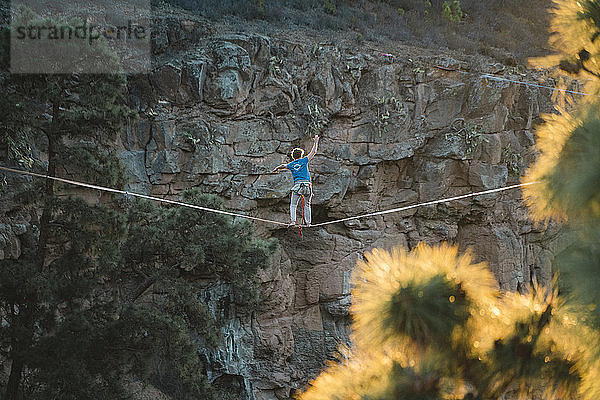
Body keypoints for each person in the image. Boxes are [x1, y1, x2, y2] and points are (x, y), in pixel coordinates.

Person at [272, 135, 319, 227]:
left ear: (293, 157)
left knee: (293, 205)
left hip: (298, 186)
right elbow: (313, 152)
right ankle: (308, 223)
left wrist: (276, 168)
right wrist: (316, 141)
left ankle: (293, 221)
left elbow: (282, 165)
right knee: (307, 205)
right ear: (301, 155)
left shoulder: (291, 164)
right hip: (307, 186)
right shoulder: (304, 160)